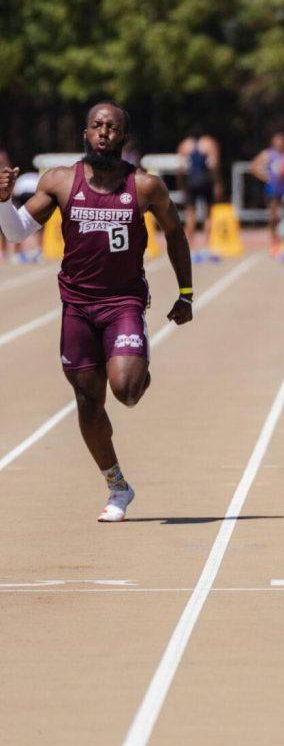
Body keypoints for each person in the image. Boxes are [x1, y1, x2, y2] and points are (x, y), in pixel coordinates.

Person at [0, 102, 194, 522]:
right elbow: (15, 232)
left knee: (125, 390)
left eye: (112, 128)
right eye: (96, 126)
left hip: (122, 302)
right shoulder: (60, 182)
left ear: (123, 138)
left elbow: (175, 235)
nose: (104, 133)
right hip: (77, 307)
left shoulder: (145, 187)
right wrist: (1, 202)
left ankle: (136, 363)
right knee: (89, 403)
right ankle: (117, 486)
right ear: (85, 133)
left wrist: (186, 293)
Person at [177, 125, 222, 257]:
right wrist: (218, 182)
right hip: (205, 178)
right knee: (208, 214)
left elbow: (180, 168)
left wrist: (181, 184)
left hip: (191, 180)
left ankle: (189, 246)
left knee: (190, 214)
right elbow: (214, 164)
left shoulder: (185, 145)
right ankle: (207, 245)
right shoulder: (209, 143)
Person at [250, 133, 284, 256]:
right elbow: (254, 166)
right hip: (272, 190)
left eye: (282, 141)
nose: (280, 143)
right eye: (278, 141)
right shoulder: (268, 154)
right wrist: (266, 177)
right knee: (273, 217)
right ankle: (274, 243)